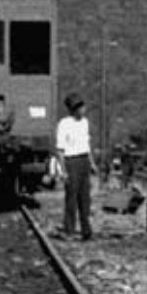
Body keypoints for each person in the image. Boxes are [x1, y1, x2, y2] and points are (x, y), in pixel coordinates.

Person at [54, 92, 95, 240]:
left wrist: (92, 163)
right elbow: (60, 150)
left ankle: (86, 230)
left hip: (84, 160)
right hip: (71, 162)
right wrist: (63, 171)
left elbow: (87, 144)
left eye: (82, 106)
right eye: (78, 107)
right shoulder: (64, 124)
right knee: (71, 197)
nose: (82, 110)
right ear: (72, 110)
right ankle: (69, 229)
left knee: (85, 198)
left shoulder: (85, 122)